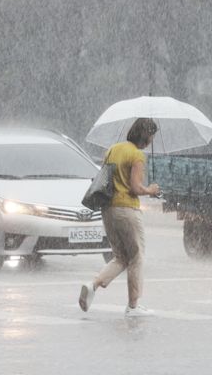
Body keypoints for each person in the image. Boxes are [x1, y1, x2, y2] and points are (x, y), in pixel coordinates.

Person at [79, 117, 160, 317]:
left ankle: (94, 284)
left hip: (108, 209)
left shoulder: (113, 150)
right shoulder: (137, 156)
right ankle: (133, 306)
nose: (151, 140)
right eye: (151, 135)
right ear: (146, 136)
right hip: (127, 210)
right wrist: (151, 190)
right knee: (137, 256)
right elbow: (135, 187)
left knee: (121, 257)